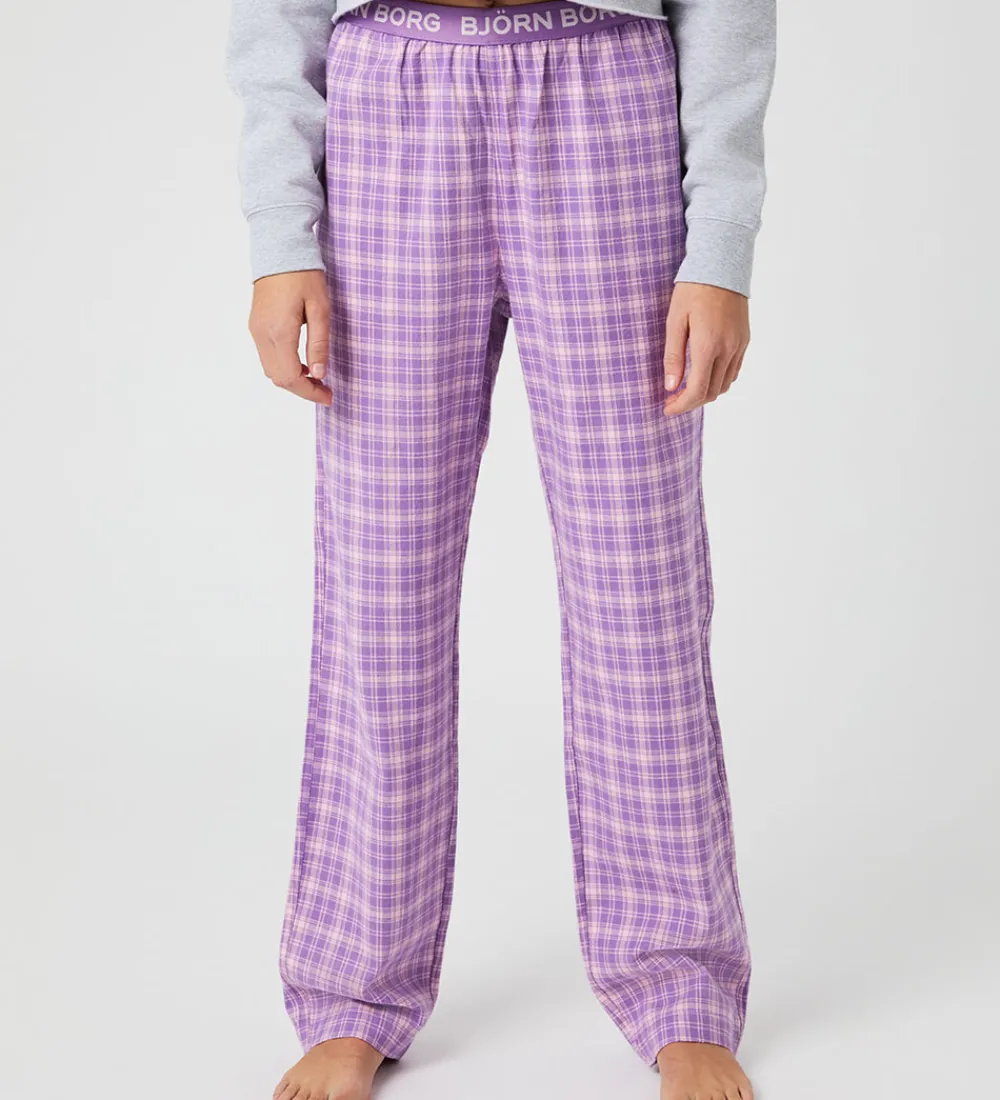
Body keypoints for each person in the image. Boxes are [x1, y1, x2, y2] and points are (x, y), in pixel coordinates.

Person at [225, 0, 776, 1093]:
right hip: (390, 104)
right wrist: (280, 235)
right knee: (380, 590)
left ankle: (679, 978)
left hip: (605, 100)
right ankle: (356, 985)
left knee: (640, 591)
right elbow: (275, 16)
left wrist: (718, 246)